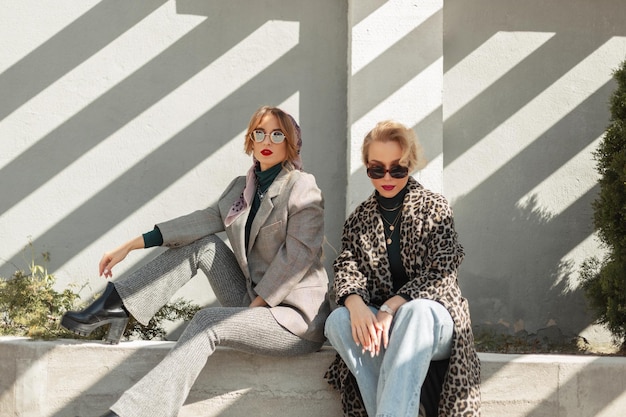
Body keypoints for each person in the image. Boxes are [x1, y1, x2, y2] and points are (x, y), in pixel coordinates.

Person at [60, 106, 330, 417]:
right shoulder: (241, 189)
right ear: (250, 140)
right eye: (259, 133)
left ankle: (136, 413)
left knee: (207, 321)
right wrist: (131, 245)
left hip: (293, 319)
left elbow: (296, 258)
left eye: (277, 134)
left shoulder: (301, 186)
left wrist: (246, 314)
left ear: (291, 143)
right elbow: (198, 223)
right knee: (203, 245)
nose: (267, 140)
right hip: (252, 302)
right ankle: (119, 301)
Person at [324, 120, 481, 417]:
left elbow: (443, 270)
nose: (387, 177)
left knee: (414, 311)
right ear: (367, 167)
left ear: (409, 166)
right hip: (386, 330)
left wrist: (391, 306)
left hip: (434, 323)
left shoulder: (434, 207)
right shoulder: (358, 219)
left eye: (397, 169)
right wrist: (356, 304)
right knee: (338, 321)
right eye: (376, 169)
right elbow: (347, 267)